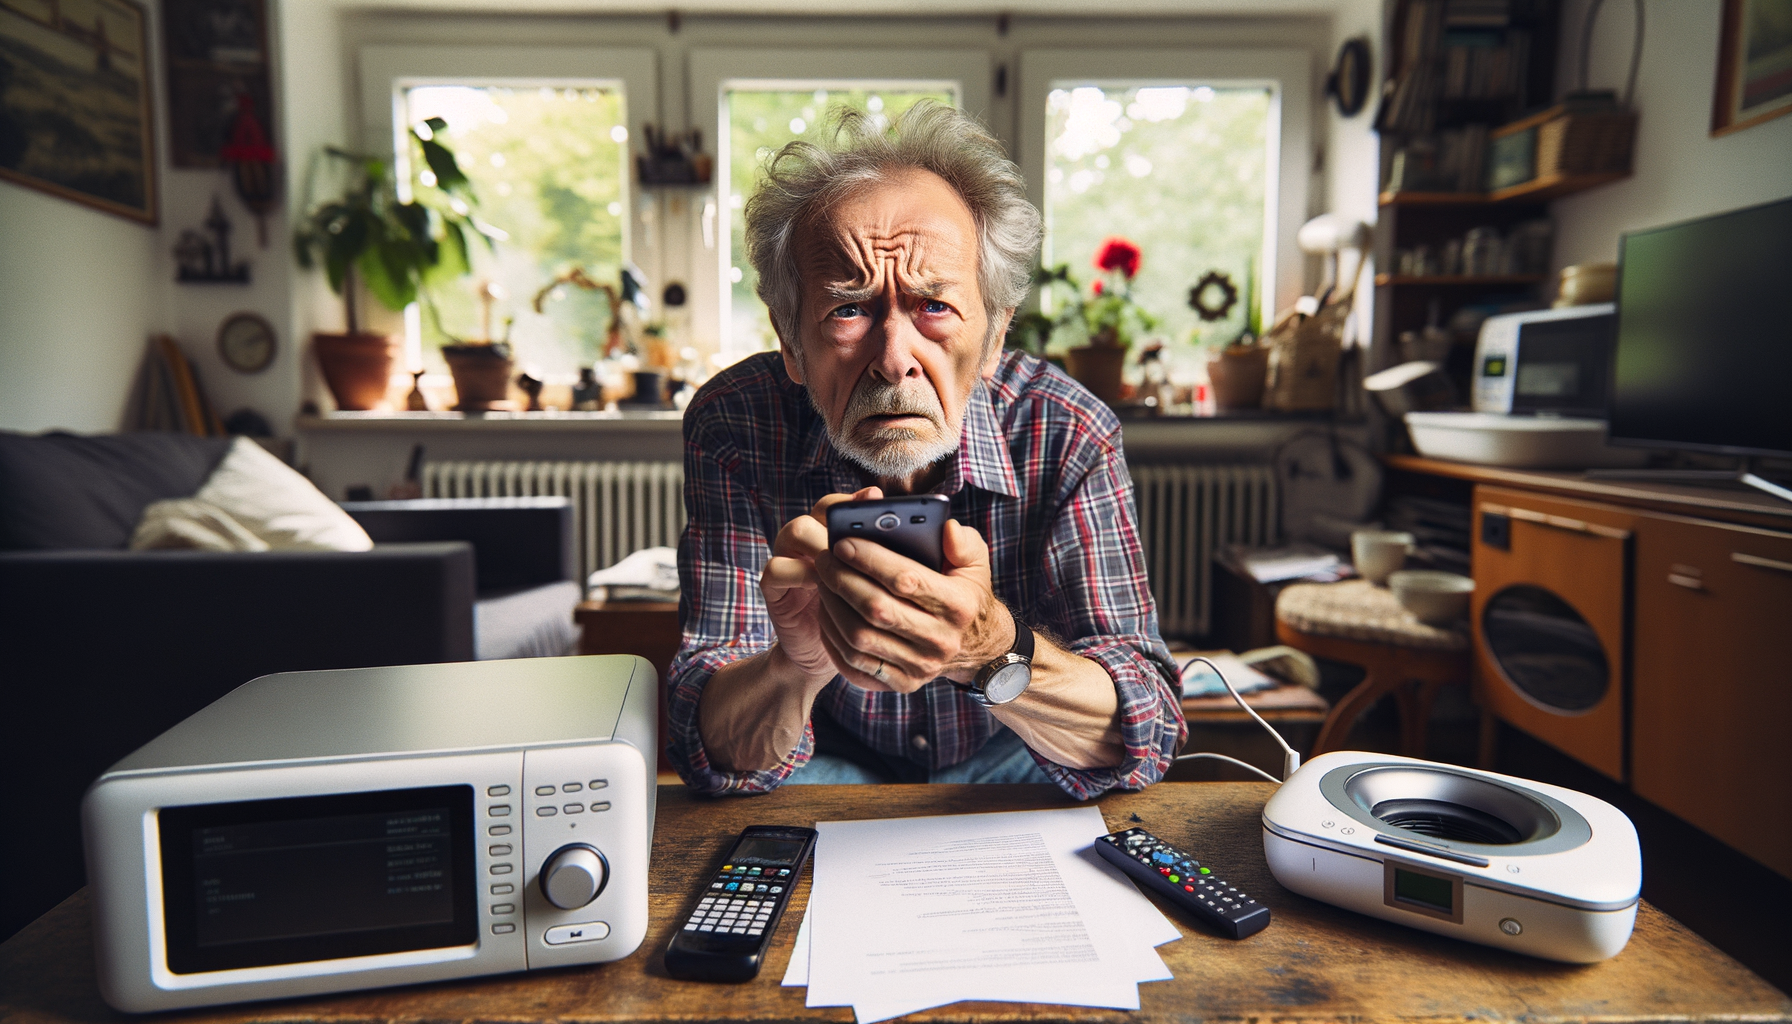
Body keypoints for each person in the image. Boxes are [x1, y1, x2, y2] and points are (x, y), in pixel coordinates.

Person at [667, 102, 1184, 799]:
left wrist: (990, 649)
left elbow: (1146, 728)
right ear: (791, 342)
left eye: (934, 306)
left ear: (995, 336)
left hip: (1014, 757)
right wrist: (796, 666)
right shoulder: (735, 423)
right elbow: (712, 748)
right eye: (849, 309)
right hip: (828, 764)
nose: (894, 360)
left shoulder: (1068, 430)